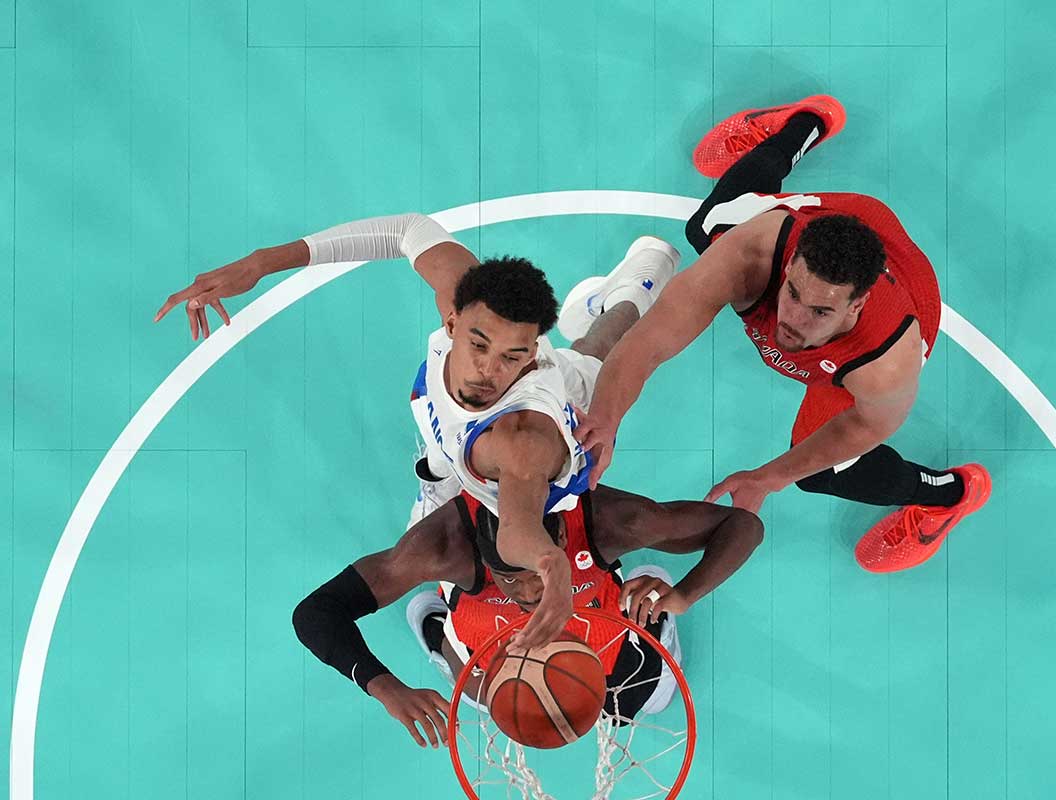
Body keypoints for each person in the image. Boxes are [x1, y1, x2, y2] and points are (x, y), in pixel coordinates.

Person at [155, 214, 678, 646]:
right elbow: (406, 231)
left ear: (528, 356)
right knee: (571, 363)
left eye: (512, 357)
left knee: (596, 352)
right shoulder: (467, 296)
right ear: (451, 322)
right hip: (463, 439)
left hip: (531, 444)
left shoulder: (522, 433)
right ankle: (644, 269)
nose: (488, 371)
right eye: (478, 345)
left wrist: (550, 563)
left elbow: (518, 522)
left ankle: (647, 272)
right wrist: (260, 264)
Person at [567, 95, 990, 574]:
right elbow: (649, 342)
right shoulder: (756, 254)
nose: (794, 318)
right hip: (837, 219)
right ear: (789, 265)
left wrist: (767, 478)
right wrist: (604, 418)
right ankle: (807, 122)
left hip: (905, 296)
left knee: (824, 471)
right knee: (707, 225)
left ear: (857, 305)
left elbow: (865, 426)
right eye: (792, 292)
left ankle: (951, 495)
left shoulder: (884, 360)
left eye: (819, 311)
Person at [292, 482, 764, 749]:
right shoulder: (440, 545)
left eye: (541, 570)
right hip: (493, 642)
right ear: (478, 552)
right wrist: (385, 686)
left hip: (601, 627)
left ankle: (649, 587)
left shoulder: (612, 520)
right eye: (509, 577)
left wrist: (683, 594)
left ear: (562, 536)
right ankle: (437, 628)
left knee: (644, 702)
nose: (532, 590)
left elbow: (742, 524)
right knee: (485, 698)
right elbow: (315, 613)